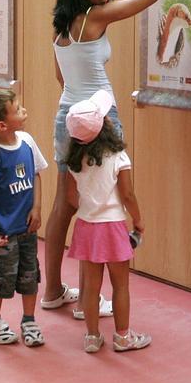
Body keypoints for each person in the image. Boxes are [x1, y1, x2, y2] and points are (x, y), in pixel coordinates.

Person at [41, 0, 191, 318]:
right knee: (97, 204)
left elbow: (61, 77)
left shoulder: (61, 27)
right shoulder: (95, 18)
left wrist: (79, 109)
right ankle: (87, 301)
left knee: (64, 204)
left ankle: (51, 290)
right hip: (98, 119)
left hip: (68, 115)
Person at [63, 89, 149, 353]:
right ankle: (123, 337)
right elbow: (128, 194)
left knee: (91, 286)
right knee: (120, 285)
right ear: (104, 126)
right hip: (112, 227)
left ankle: (91, 336)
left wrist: (90, 207)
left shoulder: (74, 161)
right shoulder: (117, 157)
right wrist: (138, 220)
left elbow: (71, 198)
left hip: (87, 227)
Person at [0, 89, 49, 347]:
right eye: (18, 109)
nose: (24, 111)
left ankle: (29, 320)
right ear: (2, 125)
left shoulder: (27, 140)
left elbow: (36, 173)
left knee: (30, 273)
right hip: (2, 233)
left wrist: (37, 207)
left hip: (27, 228)